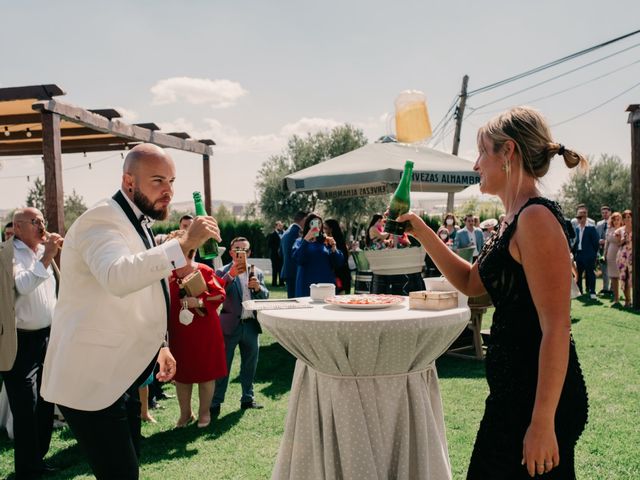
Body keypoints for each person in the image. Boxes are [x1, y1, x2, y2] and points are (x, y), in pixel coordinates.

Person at [396, 106, 588, 478]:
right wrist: (421, 230)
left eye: (482, 151)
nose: (475, 164)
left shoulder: (535, 219)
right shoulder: (512, 219)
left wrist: (543, 423)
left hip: (537, 400)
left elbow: (556, 328)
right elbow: (472, 283)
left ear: (508, 153)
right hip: (513, 395)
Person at [41, 143, 221, 480]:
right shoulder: (102, 219)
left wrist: (161, 346)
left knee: (128, 470)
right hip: (91, 380)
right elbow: (117, 276)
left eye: (171, 181)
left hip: (123, 374)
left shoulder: (137, 219)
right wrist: (182, 244)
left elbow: (145, 285)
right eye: (157, 181)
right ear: (129, 182)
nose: (167, 191)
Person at [0, 208, 63, 479]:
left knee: (46, 400)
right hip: (19, 341)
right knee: (27, 405)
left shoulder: (39, 251)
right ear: (19, 226)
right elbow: (22, 286)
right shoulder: (7, 253)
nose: (42, 226)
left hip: (47, 337)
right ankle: (27, 468)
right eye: (36, 222)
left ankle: (38, 458)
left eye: (43, 221)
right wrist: (48, 256)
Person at [166, 229, 227, 428]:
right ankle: (185, 414)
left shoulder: (204, 270)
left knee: (205, 374)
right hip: (178, 332)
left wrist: (199, 301)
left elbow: (220, 295)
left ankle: (204, 413)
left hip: (204, 332)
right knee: (182, 375)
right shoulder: (166, 275)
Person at [211, 237, 269, 417]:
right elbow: (216, 293)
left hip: (251, 324)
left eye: (244, 250)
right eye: (236, 249)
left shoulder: (256, 272)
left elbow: (266, 297)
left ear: (249, 253)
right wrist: (231, 275)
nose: (239, 253)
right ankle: (215, 403)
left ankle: (247, 399)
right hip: (229, 326)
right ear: (230, 252)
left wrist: (259, 289)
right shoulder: (222, 271)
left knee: (250, 365)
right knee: (223, 367)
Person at [572, 205, 600, 299]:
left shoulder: (591, 228)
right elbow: (576, 242)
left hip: (589, 255)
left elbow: (596, 243)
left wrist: (593, 254)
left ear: (586, 215)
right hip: (579, 255)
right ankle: (580, 291)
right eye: (580, 215)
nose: (582, 217)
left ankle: (592, 292)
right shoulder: (576, 228)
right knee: (578, 274)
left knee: (590, 273)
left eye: (584, 214)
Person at [280, 211, 307, 298]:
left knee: (291, 298)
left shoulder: (285, 233)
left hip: (288, 270)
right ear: (304, 220)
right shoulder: (297, 233)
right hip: (296, 271)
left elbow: (280, 253)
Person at [323, 219, 351, 294]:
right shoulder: (338, 240)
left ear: (331, 229)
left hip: (340, 277)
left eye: (325, 228)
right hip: (340, 276)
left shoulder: (335, 242)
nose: (323, 230)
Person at [604, 212, 623, 305]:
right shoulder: (609, 229)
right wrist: (604, 253)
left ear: (621, 220)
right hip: (610, 255)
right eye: (614, 220)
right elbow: (607, 243)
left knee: (623, 276)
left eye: (618, 219)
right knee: (613, 276)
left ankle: (627, 298)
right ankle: (616, 298)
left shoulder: (623, 229)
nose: (616, 221)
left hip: (621, 254)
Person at [616, 210, 633, 308]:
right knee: (624, 278)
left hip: (633, 255)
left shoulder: (636, 228)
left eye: (629, 216)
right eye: (625, 217)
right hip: (622, 256)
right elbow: (618, 243)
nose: (627, 219)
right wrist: (623, 240)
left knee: (633, 278)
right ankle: (627, 300)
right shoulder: (620, 230)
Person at [595, 206, 612, 294]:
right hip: (601, 251)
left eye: (606, 212)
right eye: (603, 213)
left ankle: (612, 289)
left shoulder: (614, 222)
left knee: (613, 269)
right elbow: (596, 236)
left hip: (612, 249)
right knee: (604, 270)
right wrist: (599, 241)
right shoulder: (598, 224)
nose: (604, 214)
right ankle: (605, 288)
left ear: (610, 212)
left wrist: (606, 241)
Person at [267, 220, 285, 287]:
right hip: (274, 255)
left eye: (281, 225)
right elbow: (269, 245)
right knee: (275, 269)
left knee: (281, 269)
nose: (281, 227)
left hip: (282, 255)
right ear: (276, 226)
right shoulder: (272, 234)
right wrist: (277, 249)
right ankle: (274, 283)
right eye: (279, 225)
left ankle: (281, 283)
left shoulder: (284, 234)